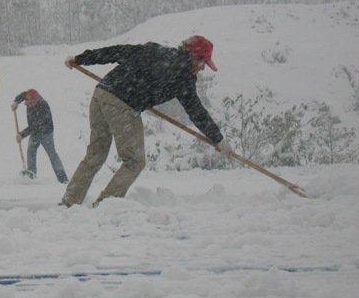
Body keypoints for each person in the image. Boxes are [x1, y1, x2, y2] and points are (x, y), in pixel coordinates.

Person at [60, 35, 231, 208]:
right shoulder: (184, 76)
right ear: (195, 56)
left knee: (95, 155)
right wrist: (218, 139)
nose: (202, 69)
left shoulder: (153, 50)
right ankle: (105, 206)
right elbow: (196, 111)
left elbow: (114, 52)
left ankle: (69, 201)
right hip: (122, 105)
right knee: (135, 161)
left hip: (101, 94)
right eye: (203, 63)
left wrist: (81, 59)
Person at [11, 89, 69, 183]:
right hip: (34, 132)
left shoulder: (43, 106)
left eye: (29, 104)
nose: (27, 105)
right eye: (27, 102)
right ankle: (31, 175)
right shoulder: (29, 95)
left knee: (52, 154)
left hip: (46, 132)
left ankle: (62, 178)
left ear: (35, 101)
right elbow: (23, 95)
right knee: (31, 151)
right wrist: (16, 102)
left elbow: (35, 125)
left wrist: (22, 135)